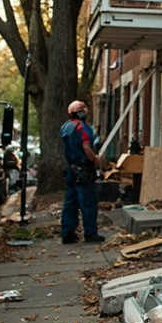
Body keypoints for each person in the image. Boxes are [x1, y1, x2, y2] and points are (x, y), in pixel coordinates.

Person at [60, 100, 105, 244]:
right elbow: (86, 146)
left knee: (70, 203)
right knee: (88, 203)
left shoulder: (66, 127)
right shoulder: (82, 128)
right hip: (83, 169)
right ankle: (90, 233)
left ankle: (68, 233)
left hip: (71, 169)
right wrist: (95, 159)